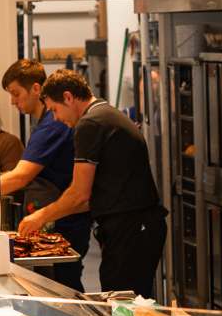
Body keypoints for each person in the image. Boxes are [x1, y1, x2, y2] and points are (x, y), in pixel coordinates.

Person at [18, 69, 166, 297]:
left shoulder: (90, 123)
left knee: (123, 304)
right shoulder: (103, 113)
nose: (56, 118)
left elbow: (79, 195)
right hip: (137, 227)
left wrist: (40, 217)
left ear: (68, 97)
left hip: (132, 228)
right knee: (126, 300)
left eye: (55, 110)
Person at [0, 59, 91, 291]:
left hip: (64, 223)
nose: (13, 101)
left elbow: (20, 177)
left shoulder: (53, 124)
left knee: (62, 289)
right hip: (57, 219)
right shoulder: (44, 123)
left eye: (16, 94)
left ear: (36, 89)